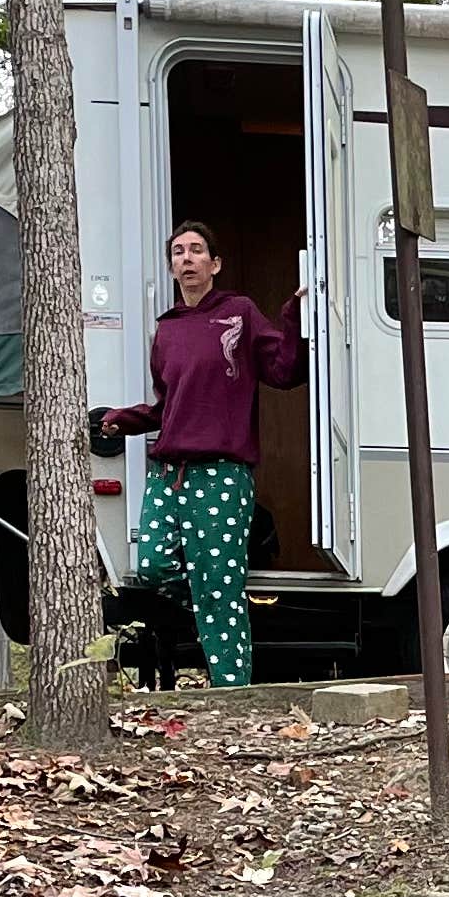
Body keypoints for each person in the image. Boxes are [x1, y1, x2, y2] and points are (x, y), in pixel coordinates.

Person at [94, 221, 308, 686]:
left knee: (220, 594)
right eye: (177, 252)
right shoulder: (167, 330)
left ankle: (232, 692)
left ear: (215, 264)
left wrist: (295, 313)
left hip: (222, 474)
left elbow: (284, 370)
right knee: (150, 564)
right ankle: (208, 589)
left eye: (195, 251)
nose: (186, 258)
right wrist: (122, 418)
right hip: (168, 473)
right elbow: (168, 408)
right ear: (172, 267)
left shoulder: (239, 313)